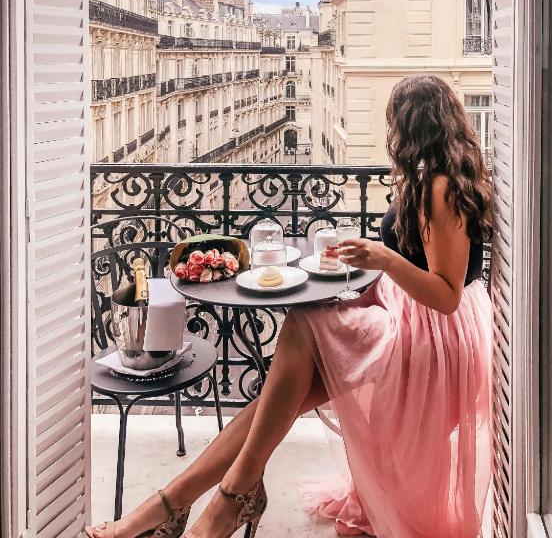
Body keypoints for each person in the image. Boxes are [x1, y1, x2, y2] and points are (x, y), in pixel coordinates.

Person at [86, 74, 492, 538]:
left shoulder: (442, 188)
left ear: (413, 125)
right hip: (402, 314)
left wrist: (382, 258)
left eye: (395, 122)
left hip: (437, 336)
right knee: (273, 403)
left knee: (298, 332)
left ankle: (206, 505)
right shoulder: (428, 179)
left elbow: (446, 295)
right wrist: (364, 279)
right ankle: (184, 504)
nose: (392, 133)